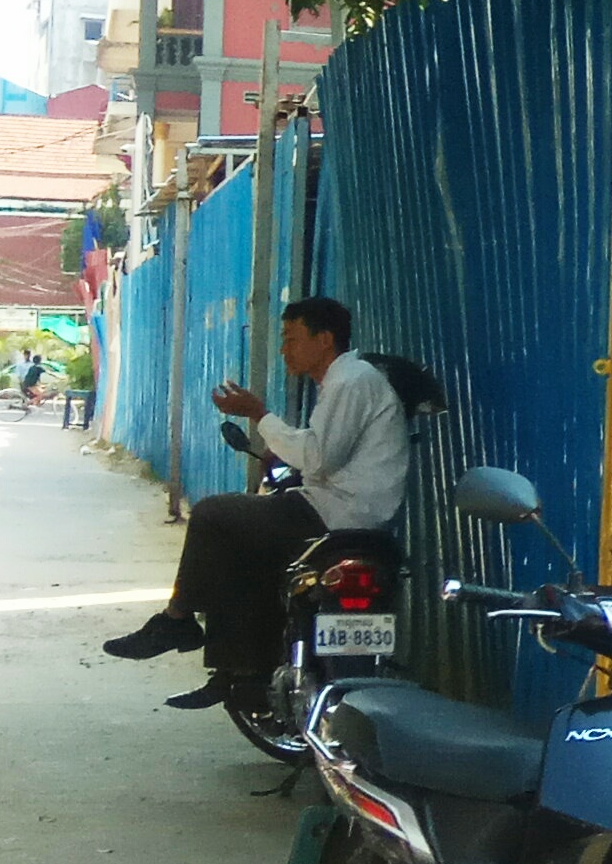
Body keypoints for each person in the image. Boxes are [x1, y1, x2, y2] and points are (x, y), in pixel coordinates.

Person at [100, 295, 411, 712]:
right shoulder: (344, 382)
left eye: (291, 338)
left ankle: (176, 621)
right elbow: (322, 452)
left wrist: (258, 414)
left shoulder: (351, 380)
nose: (285, 349)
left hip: (338, 513)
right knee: (247, 553)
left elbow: (317, 457)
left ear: (324, 340)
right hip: (338, 507)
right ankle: (237, 674)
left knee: (213, 514)